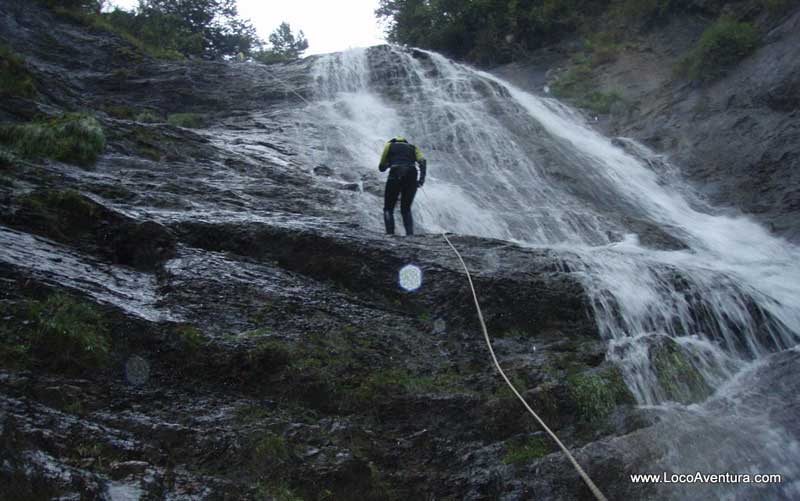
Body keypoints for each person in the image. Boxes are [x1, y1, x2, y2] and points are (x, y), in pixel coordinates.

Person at [378, 137, 426, 236]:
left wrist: (388, 165)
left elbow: (382, 166)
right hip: (412, 173)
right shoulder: (413, 147)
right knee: (406, 208)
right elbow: (422, 161)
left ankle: (390, 234)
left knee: (388, 208)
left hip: (396, 172)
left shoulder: (389, 145)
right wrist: (421, 180)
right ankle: (410, 235)